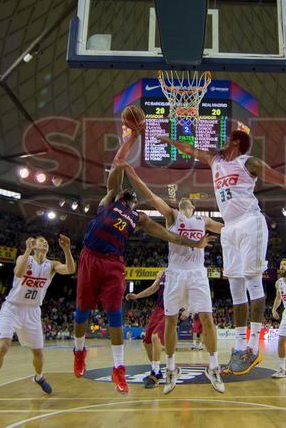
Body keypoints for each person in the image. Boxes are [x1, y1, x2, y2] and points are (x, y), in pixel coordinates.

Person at [160, 130, 286, 375]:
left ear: (236, 143)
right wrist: (169, 140)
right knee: (235, 284)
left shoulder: (248, 163)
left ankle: (252, 347)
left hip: (250, 221)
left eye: (226, 138)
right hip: (229, 228)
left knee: (252, 280)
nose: (221, 141)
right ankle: (239, 348)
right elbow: (189, 149)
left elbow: (281, 179)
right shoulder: (214, 160)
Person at [72, 134, 214, 394]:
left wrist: (194, 244)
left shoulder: (138, 218)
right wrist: (132, 139)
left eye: (134, 198)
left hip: (114, 263)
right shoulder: (110, 201)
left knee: (116, 316)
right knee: (81, 312)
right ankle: (78, 350)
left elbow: (169, 235)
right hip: (90, 257)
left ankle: (119, 369)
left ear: (136, 204)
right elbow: (117, 164)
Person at [121, 162, 224, 393]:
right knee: (171, 322)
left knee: (207, 319)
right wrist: (131, 172)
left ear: (194, 206)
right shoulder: (172, 215)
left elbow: (227, 229)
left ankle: (214, 367)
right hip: (175, 273)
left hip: (198, 273)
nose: (184, 200)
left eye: (188, 200)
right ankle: (170, 369)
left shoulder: (204, 221)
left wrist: (247, 225)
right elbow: (148, 194)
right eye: (181, 199)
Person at [0, 234, 75, 409]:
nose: (45, 243)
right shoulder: (24, 258)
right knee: (4, 346)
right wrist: (28, 249)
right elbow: (18, 273)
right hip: (12, 308)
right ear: (35, 245)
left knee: (38, 353)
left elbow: (70, 270)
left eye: (46, 242)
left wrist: (67, 249)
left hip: (32, 311)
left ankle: (39, 377)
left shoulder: (51, 265)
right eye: (41, 241)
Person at [125, 270, 166, 388]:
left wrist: (186, 308)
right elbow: (152, 289)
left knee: (155, 337)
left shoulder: (182, 272)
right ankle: (156, 371)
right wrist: (137, 296)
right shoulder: (163, 273)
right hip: (159, 309)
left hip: (171, 309)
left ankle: (154, 373)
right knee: (147, 341)